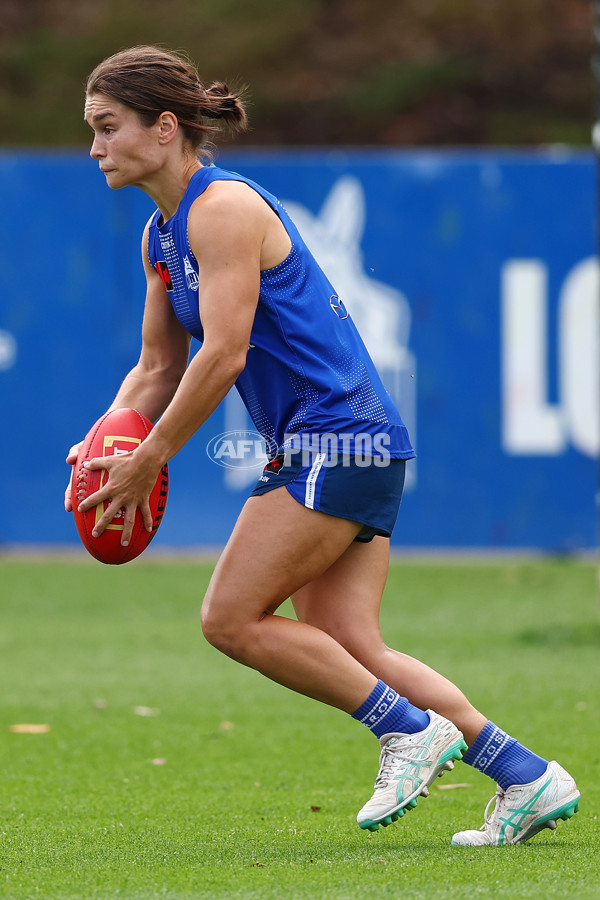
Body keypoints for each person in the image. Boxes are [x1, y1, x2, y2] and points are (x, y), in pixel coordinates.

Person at [65, 45, 580, 846]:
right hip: (353, 444)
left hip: (333, 439)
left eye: (107, 127)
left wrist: (153, 455)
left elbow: (224, 353)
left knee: (231, 619)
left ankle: (407, 732)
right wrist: (106, 438)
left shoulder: (222, 209)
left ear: (164, 128)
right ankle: (527, 776)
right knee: (350, 644)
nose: (95, 147)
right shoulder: (160, 236)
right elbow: (157, 365)